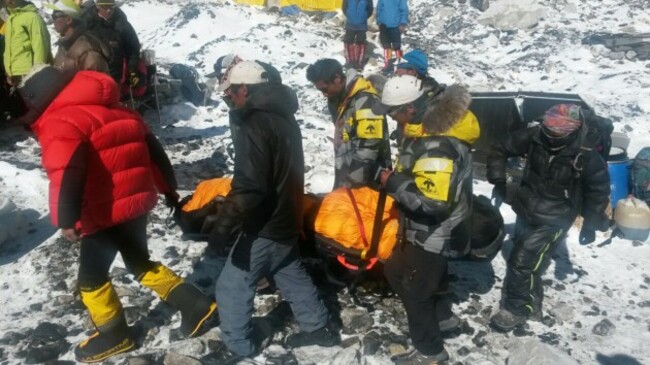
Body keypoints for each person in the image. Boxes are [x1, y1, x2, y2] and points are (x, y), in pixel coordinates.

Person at [14, 66, 217, 363]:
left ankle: (114, 335)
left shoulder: (61, 120)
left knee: (91, 279)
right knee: (140, 262)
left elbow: (67, 172)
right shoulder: (121, 111)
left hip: (102, 211)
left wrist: (66, 219)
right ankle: (195, 304)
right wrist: (168, 189)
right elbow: (154, 153)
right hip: (136, 205)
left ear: (38, 96)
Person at [209, 61, 339, 360]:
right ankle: (317, 326)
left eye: (231, 92)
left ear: (245, 88)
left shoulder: (255, 123)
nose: (230, 98)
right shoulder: (283, 118)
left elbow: (251, 184)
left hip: (265, 223)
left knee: (233, 284)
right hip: (286, 216)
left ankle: (240, 345)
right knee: (288, 269)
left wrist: (223, 226)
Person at [373, 75, 480, 364]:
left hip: (434, 232)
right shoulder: (422, 134)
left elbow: (431, 202)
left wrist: (393, 182)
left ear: (409, 109)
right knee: (397, 270)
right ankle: (444, 318)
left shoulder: (437, 147)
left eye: (394, 112)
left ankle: (430, 352)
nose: (392, 119)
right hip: (421, 228)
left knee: (415, 290)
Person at [486, 103, 610, 331]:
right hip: (525, 207)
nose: (551, 134)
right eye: (549, 127)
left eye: (558, 131)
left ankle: (515, 310)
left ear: (573, 129)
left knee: (520, 262)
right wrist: (499, 180)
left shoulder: (587, 154)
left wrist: (590, 225)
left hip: (556, 217)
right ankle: (533, 306)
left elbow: (598, 191)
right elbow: (500, 148)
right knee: (530, 263)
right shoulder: (536, 136)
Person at [306, 58, 390, 189]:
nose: (324, 94)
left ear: (337, 78)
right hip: (346, 176)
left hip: (366, 182)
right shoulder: (339, 100)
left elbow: (368, 148)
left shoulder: (365, 100)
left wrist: (352, 184)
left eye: (325, 89)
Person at [85, 0, 141, 88]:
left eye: (111, 7)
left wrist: (132, 70)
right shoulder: (87, 22)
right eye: (105, 7)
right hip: (89, 73)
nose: (109, 10)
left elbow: (133, 48)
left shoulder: (122, 24)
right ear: (98, 7)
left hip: (113, 75)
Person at [47, 0, 111, 73]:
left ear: (68, 20)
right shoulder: (65, 44)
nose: (53, 20)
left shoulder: (87, 49)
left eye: (55, 16)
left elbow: (98, 81)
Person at [2, 0, 52, 86]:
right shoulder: (11, 19)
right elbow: (9, 48)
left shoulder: (32, 17)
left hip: (28, 73)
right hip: (15, 74)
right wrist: (9, 72)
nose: (8, 1)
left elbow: (40, 47)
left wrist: (36, 73)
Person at [376, 0, 408, 70]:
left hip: (395, 25)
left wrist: (402, 22)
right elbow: (379, 8)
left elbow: (404, 9)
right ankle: (388, 63)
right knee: (386, 45)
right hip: (384, 24)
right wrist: (379, 21)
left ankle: (399, 65)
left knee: (397, 45)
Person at [342, 0, 372, 70]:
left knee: (361, 42)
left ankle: (359, 62)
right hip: (350, 23)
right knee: (348, 42)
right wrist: (349, 15)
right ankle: (349, 61)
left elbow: (370, 10)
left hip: (362, 24)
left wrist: (363, 16)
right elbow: (344, 8)